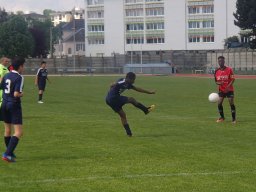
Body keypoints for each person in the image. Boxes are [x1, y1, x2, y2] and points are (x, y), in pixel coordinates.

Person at [106, 72, 155, 137]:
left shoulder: (128, 84)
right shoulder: (122, 81)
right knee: (131, 99)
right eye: (133, 79)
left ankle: (129, 134)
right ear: (129, 79)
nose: (134, 81)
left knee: (123, 115)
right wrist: (113, 85)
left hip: (109, 100)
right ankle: (146, 110)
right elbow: (113, 84)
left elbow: (137, 89)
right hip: (114, 98)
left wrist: (149, 92)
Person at [0, 57, 25, 162]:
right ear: (20, 67)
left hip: (4, 104)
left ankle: (10, 153)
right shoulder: (19, 77)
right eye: (23, 66)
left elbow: (1, 87)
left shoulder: (6, 75)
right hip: (13, 105)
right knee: (19, 132)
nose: (23, 68)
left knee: (7, 130)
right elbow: (16, 94)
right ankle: (7, 154)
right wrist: (21, 94)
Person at [214, 56, 236, 123]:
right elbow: (216, 81)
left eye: (222, 61)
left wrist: (228, 87)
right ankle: (222, 118)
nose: (221, 62)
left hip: (229, 90)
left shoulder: (229, 69)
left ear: (224, 61)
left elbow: (233, 79)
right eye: (219, 61)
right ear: (218, 62)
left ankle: (233, 119)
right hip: (221, 90)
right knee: (219, 103)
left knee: (231, 103)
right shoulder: (216, 71)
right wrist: (219, 83)